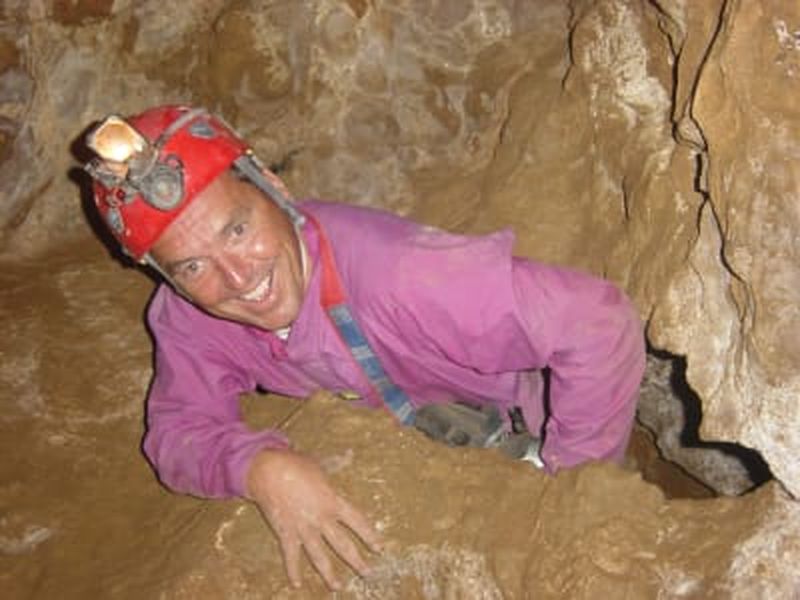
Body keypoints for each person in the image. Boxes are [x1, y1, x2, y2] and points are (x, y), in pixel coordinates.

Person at [82, 105, 646, 590]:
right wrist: (259, 468)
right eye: (193, 266)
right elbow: (178, 430)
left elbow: (598, 323)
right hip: (413, 422)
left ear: (274, 189)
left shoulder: (404, 276)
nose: (236, 277)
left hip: (526, 417)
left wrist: (572, 485)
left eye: (236, 229)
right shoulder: (189, 313)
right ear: (166, 276)